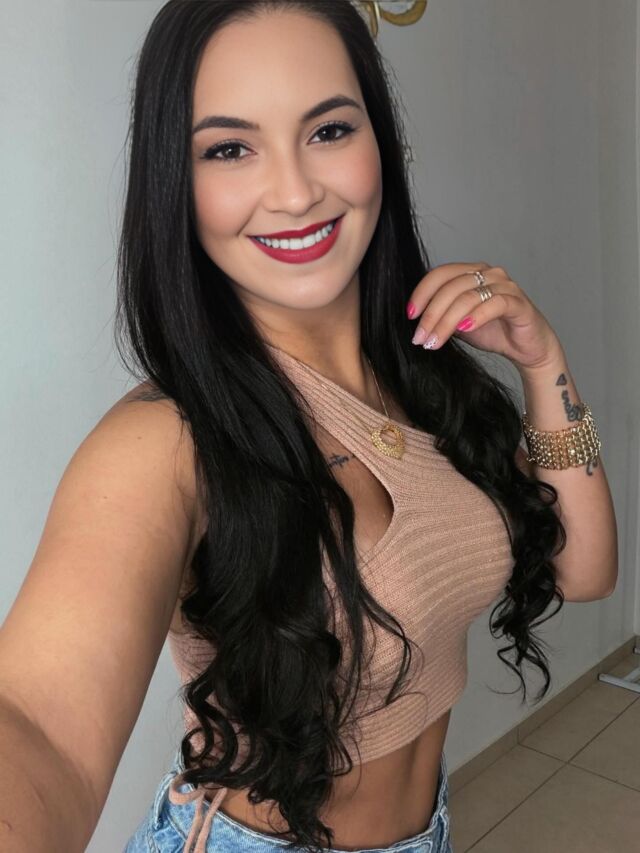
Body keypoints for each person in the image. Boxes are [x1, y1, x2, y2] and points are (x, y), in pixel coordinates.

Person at [0, 1, 617, 852]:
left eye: (328, 131)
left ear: (380, 144)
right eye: (229, 148)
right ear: (175, 181)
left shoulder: (424, 374)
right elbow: (38, 724)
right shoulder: (166, 440)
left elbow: (583, 570)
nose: (295, 193)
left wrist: (543, 362)